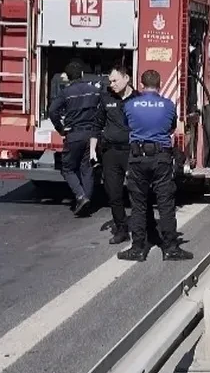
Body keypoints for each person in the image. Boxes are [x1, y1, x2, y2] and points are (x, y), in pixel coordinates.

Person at [116, 69, 193, 262]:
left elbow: (127, 125)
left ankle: (138, 248)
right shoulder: (168, 105)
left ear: (141, 85)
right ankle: (170, 248)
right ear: (159, 85)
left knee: (139, 205)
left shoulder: (130, 105)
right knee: (166, 204)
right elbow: (172, 127)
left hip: (137, 158)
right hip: (161, 158)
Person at [90, 64, 138, 244]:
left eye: (115, 80)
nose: (112, 84)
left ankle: (142, 228)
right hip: (110, 152)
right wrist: (92, 149)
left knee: (138, 192)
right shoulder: (106, 98)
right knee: (113, 193)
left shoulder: (138, 99)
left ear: (127, 78)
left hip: (132, 152)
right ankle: (121, 228)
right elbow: (97, 125)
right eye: (110, 81)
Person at [47, 59, 101, 215]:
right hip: (91, 134)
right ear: (83, 75)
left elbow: (52, 111)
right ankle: (87, 201)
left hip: (74, 134)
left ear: (68, 77)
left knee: (68, 168)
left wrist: (60, 128)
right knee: (87, 168)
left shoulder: (66, 93)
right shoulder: (94, 90)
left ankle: (81, 196)